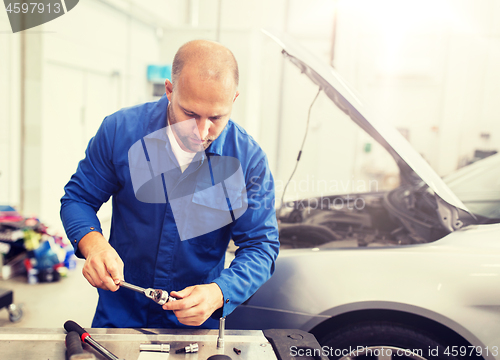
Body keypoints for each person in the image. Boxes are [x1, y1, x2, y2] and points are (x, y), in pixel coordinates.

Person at [60, 40, 279, 328]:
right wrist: (94, 245)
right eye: (190, 114)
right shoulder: (120, 132)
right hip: (119, 315)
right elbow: (78, 198)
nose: (202, 132)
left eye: (216, 117)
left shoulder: (248, 160)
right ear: (169, 90)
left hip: (196, 326)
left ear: (234, 99)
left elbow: (261, 245)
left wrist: (219, 293)